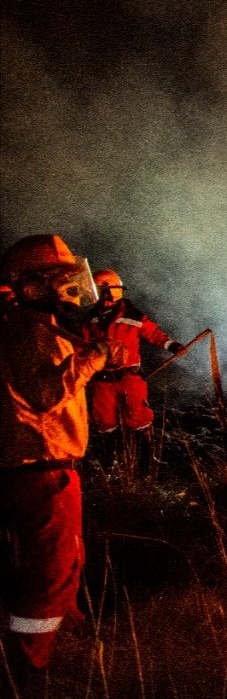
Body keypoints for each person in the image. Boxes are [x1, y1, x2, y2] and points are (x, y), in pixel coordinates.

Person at [0, 235, 113, 675]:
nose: (71, 291)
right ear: (32, 285)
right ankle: (29, 673)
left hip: (36, 466)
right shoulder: (34, 332)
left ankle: (70, 642)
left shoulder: (30, 326)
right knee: (51, 571)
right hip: (43, 466)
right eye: (61, 282)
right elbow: (47, 395)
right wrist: (95, 356)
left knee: (65, 559)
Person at [83, 268, 184, 477]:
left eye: (112, 291)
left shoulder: (133, 316)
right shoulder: (91, 319)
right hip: (102, 379)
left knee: (138, 417)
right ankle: (109, 463)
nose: (111, 296)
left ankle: (145, 464)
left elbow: (154, 334)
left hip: (129, 376)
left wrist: (172, 345)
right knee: (104, 421)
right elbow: (82, 345)